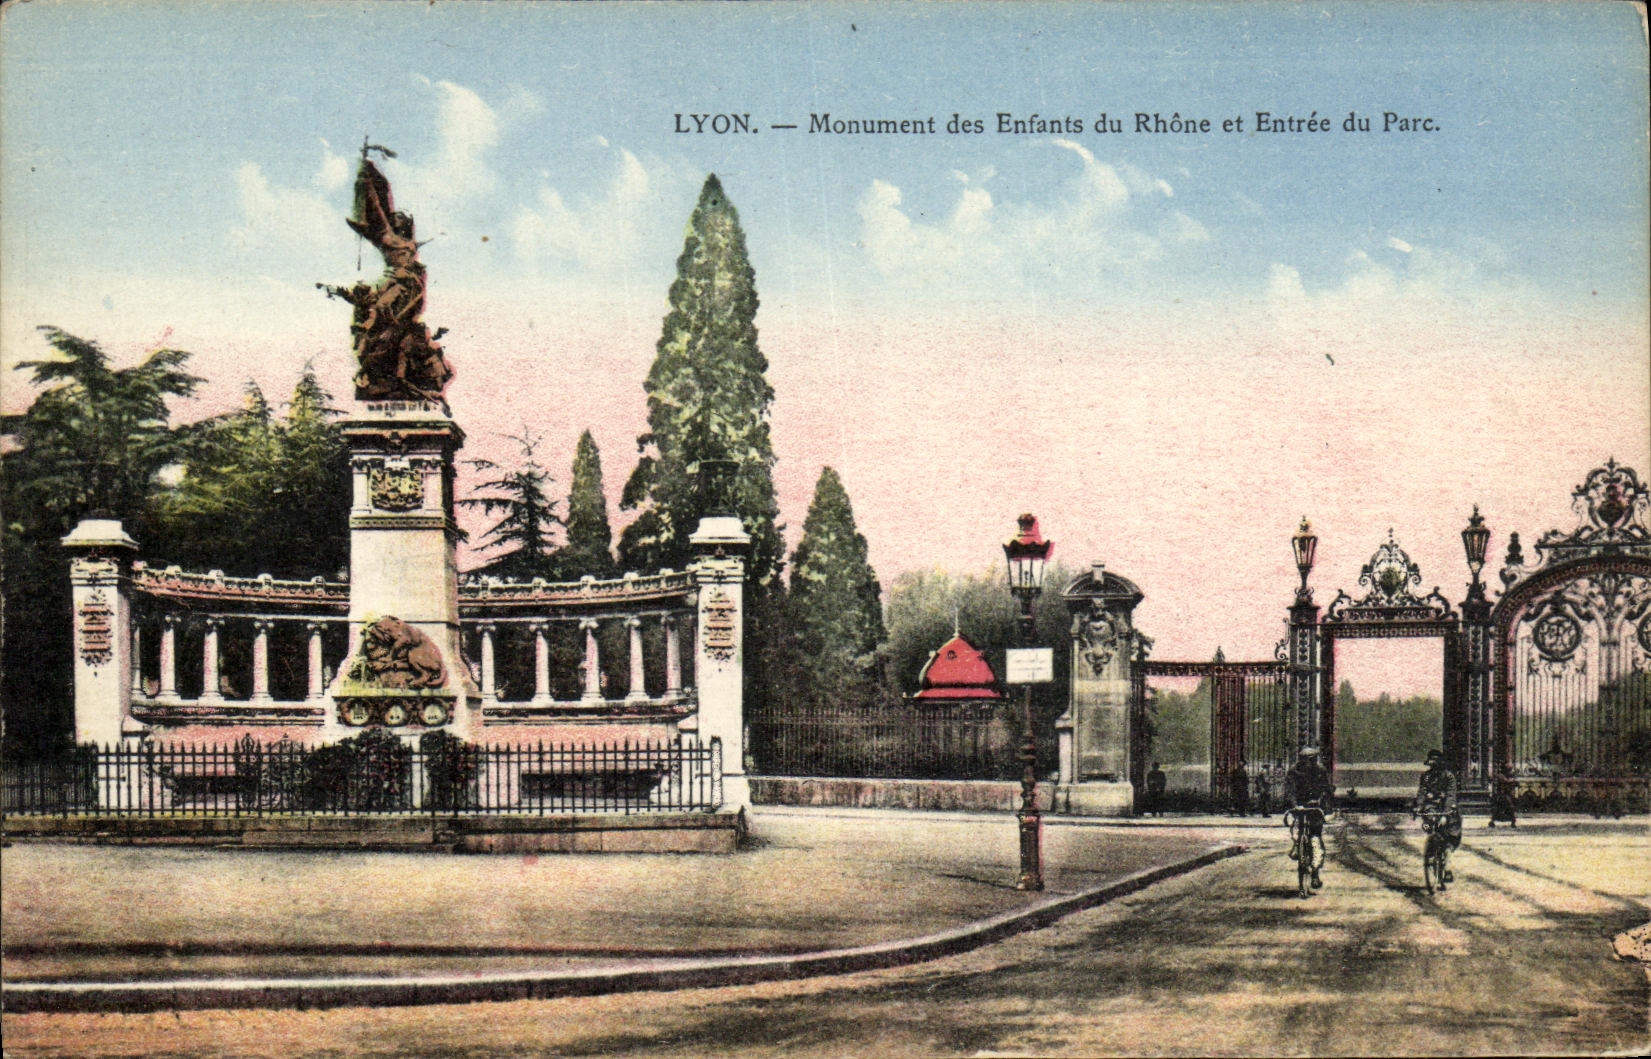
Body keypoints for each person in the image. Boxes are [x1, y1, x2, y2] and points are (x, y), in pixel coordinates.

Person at [1284, 747, 1332, 888]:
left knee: (1316, 838)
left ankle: (1315, 873)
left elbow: (1326, 789)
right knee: (1295, 830)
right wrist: (1294, 804)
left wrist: (1320, 801)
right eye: (1307, 760)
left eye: (1312, 759)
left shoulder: (1320, 771)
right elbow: (1290, 789)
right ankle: (1296, 846)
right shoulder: (1294, 771)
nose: (1310, 762)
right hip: (1299, 806)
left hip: (1315, 808)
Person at [1414, 749, 1463, 882]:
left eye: (1436, 765)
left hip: (1447, 809)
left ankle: (1447, 868)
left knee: (1449, 838)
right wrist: (1418, 806)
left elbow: (1450, 795)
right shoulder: (1426, 776)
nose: (1434, 768)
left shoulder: (1449, 777)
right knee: (1430, 826)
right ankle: (1431, 851)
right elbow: (1422, 792)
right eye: (1432, 765)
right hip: (1432, 808)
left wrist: (1445, 814)